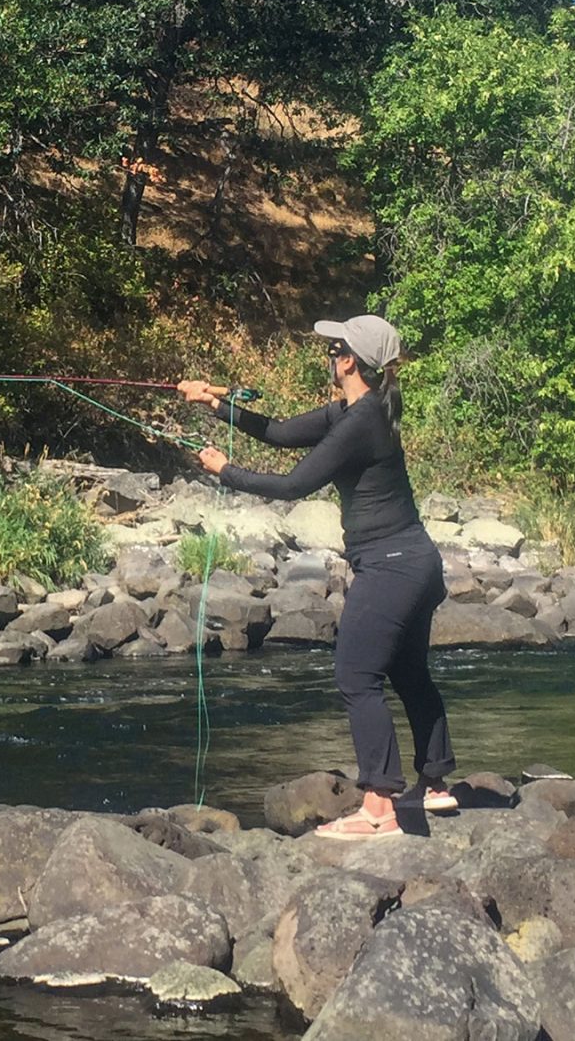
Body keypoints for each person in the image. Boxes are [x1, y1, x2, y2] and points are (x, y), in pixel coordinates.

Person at [176, 315, 455, 840]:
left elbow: (291, 486)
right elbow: (280, 433)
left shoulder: (360, 421)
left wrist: (224, 471)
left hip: (392, 566)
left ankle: (378, 805)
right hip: (416, 562)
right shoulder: (360, 410)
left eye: (333, 349)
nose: (327, 355)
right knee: (409, 673)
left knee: (356, 676)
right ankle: (436, 784)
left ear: (349, 360)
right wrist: (216, 404)